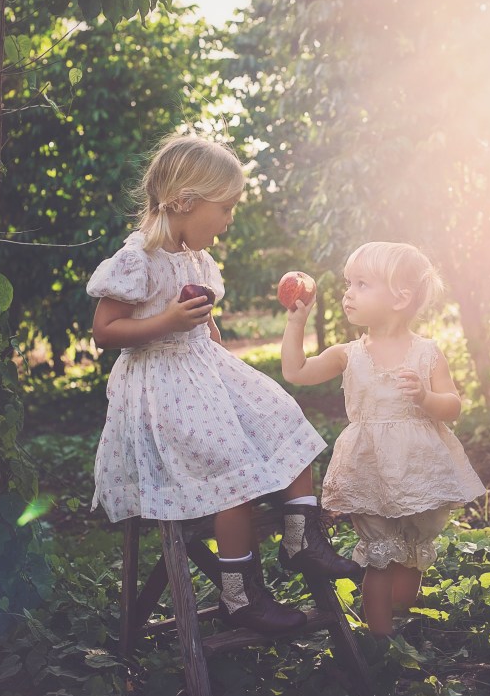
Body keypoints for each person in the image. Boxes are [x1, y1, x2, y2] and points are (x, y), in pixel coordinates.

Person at [87, 132, 360, 636]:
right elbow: (105, 331)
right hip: (159, 387)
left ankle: (302, 540)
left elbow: (203, 328)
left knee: (283, 418)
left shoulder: (198, 260)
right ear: (185, 202)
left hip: (202, 370)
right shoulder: (137, 259)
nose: (231, 219)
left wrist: (211, 342)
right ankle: (240, 595)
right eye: (227, 207)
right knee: (231, 468)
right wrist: (165, 321)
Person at [281, 241, 486, 636]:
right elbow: (297, 371)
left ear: (400, 297)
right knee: (380, 557)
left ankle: (401, 617)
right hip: (371, 470)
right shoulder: (348, 353)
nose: (347, 293)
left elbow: (453, 405)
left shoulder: (427, 353)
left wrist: (426, 398)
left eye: (361, 284)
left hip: (418, 472)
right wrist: (295, 323)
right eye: (348, 283)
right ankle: (380, 639)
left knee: (411, 556)